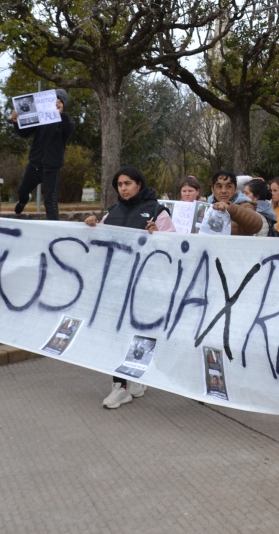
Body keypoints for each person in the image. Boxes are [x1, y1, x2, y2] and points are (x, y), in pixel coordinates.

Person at [84, 166, 175, 408]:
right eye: (119, 185)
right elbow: (99, 240)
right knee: (116, 333)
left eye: (128, 183)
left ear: (139, 184)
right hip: (116, 284)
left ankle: (135, 376)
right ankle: (119, 386)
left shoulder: (157, 211)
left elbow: (174, 247)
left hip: (145, 286)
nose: (123, 188)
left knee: (140, 333)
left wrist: (159, 235)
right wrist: (92, 225)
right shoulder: (112, 211)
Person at [11, 89, 74, 219]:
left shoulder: (65, 121)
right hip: (34, 164)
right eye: (53, 100)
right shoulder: (39, 119)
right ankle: (23, 201)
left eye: (59, 101)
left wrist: (61, 114)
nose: (56, 103)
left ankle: (54, 229)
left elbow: (70, 128)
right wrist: (16, 122)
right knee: (22, 190)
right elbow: (24, 133)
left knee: (50, 201)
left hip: (51, 168)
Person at [209, 170, 266, 236]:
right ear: (212, 189)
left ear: (236, 189)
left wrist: (230, 208)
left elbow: (257, 224)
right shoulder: (207, 207)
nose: (223, 191)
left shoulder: (245, 204)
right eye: (219, 186)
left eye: (229, 186)